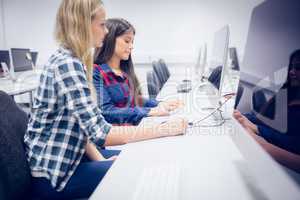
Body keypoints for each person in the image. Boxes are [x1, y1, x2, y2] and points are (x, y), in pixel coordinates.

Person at [24, 1, 187, 199]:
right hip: (55, 175)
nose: (106, 30)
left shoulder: (73, 61)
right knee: (139, 169)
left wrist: (101, 160)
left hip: (72, 160)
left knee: (145, 157)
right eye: (102, 24)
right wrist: (164, 129)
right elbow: (102, 133)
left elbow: (83, 129)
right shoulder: (66, 64)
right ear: (82, 24)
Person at [94, 18, 182, 125]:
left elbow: (134, 99)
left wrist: (159, 104)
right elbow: (107, 111)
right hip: (121, 135)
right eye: (127, 41)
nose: (131, 46)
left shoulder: (123, 70)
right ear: (110, 39)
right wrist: (149, 111)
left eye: (132, 42)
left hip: (135, 126)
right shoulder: (96, 72)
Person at [234, 49, 300, 173]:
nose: (291, 71)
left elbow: (294, 143)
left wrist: (257, 130)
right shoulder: (288, 92)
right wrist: (242, 117)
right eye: (291, 67)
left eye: (298, 68)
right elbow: (265, 119)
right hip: (267, 145)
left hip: (282, 161)